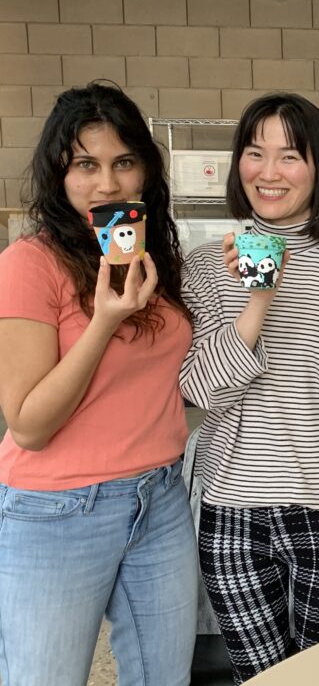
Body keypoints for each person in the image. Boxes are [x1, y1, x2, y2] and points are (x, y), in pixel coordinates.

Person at [179, 93, 319, 682]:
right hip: (230, 515)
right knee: (260, 678)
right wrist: (257, 298)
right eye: (255, 153)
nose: (268, 173)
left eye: (290, 156)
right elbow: (201, 391)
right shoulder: (202, 267)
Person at [0, 82, 197, 685]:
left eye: (123, 163)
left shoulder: (152, 254)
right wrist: (105, 319)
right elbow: (28, 424)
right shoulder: (30, 263)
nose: (107, 185)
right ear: (59, 173)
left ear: (145, 172)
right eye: (86, 165)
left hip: (159, 498)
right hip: (58, 510)